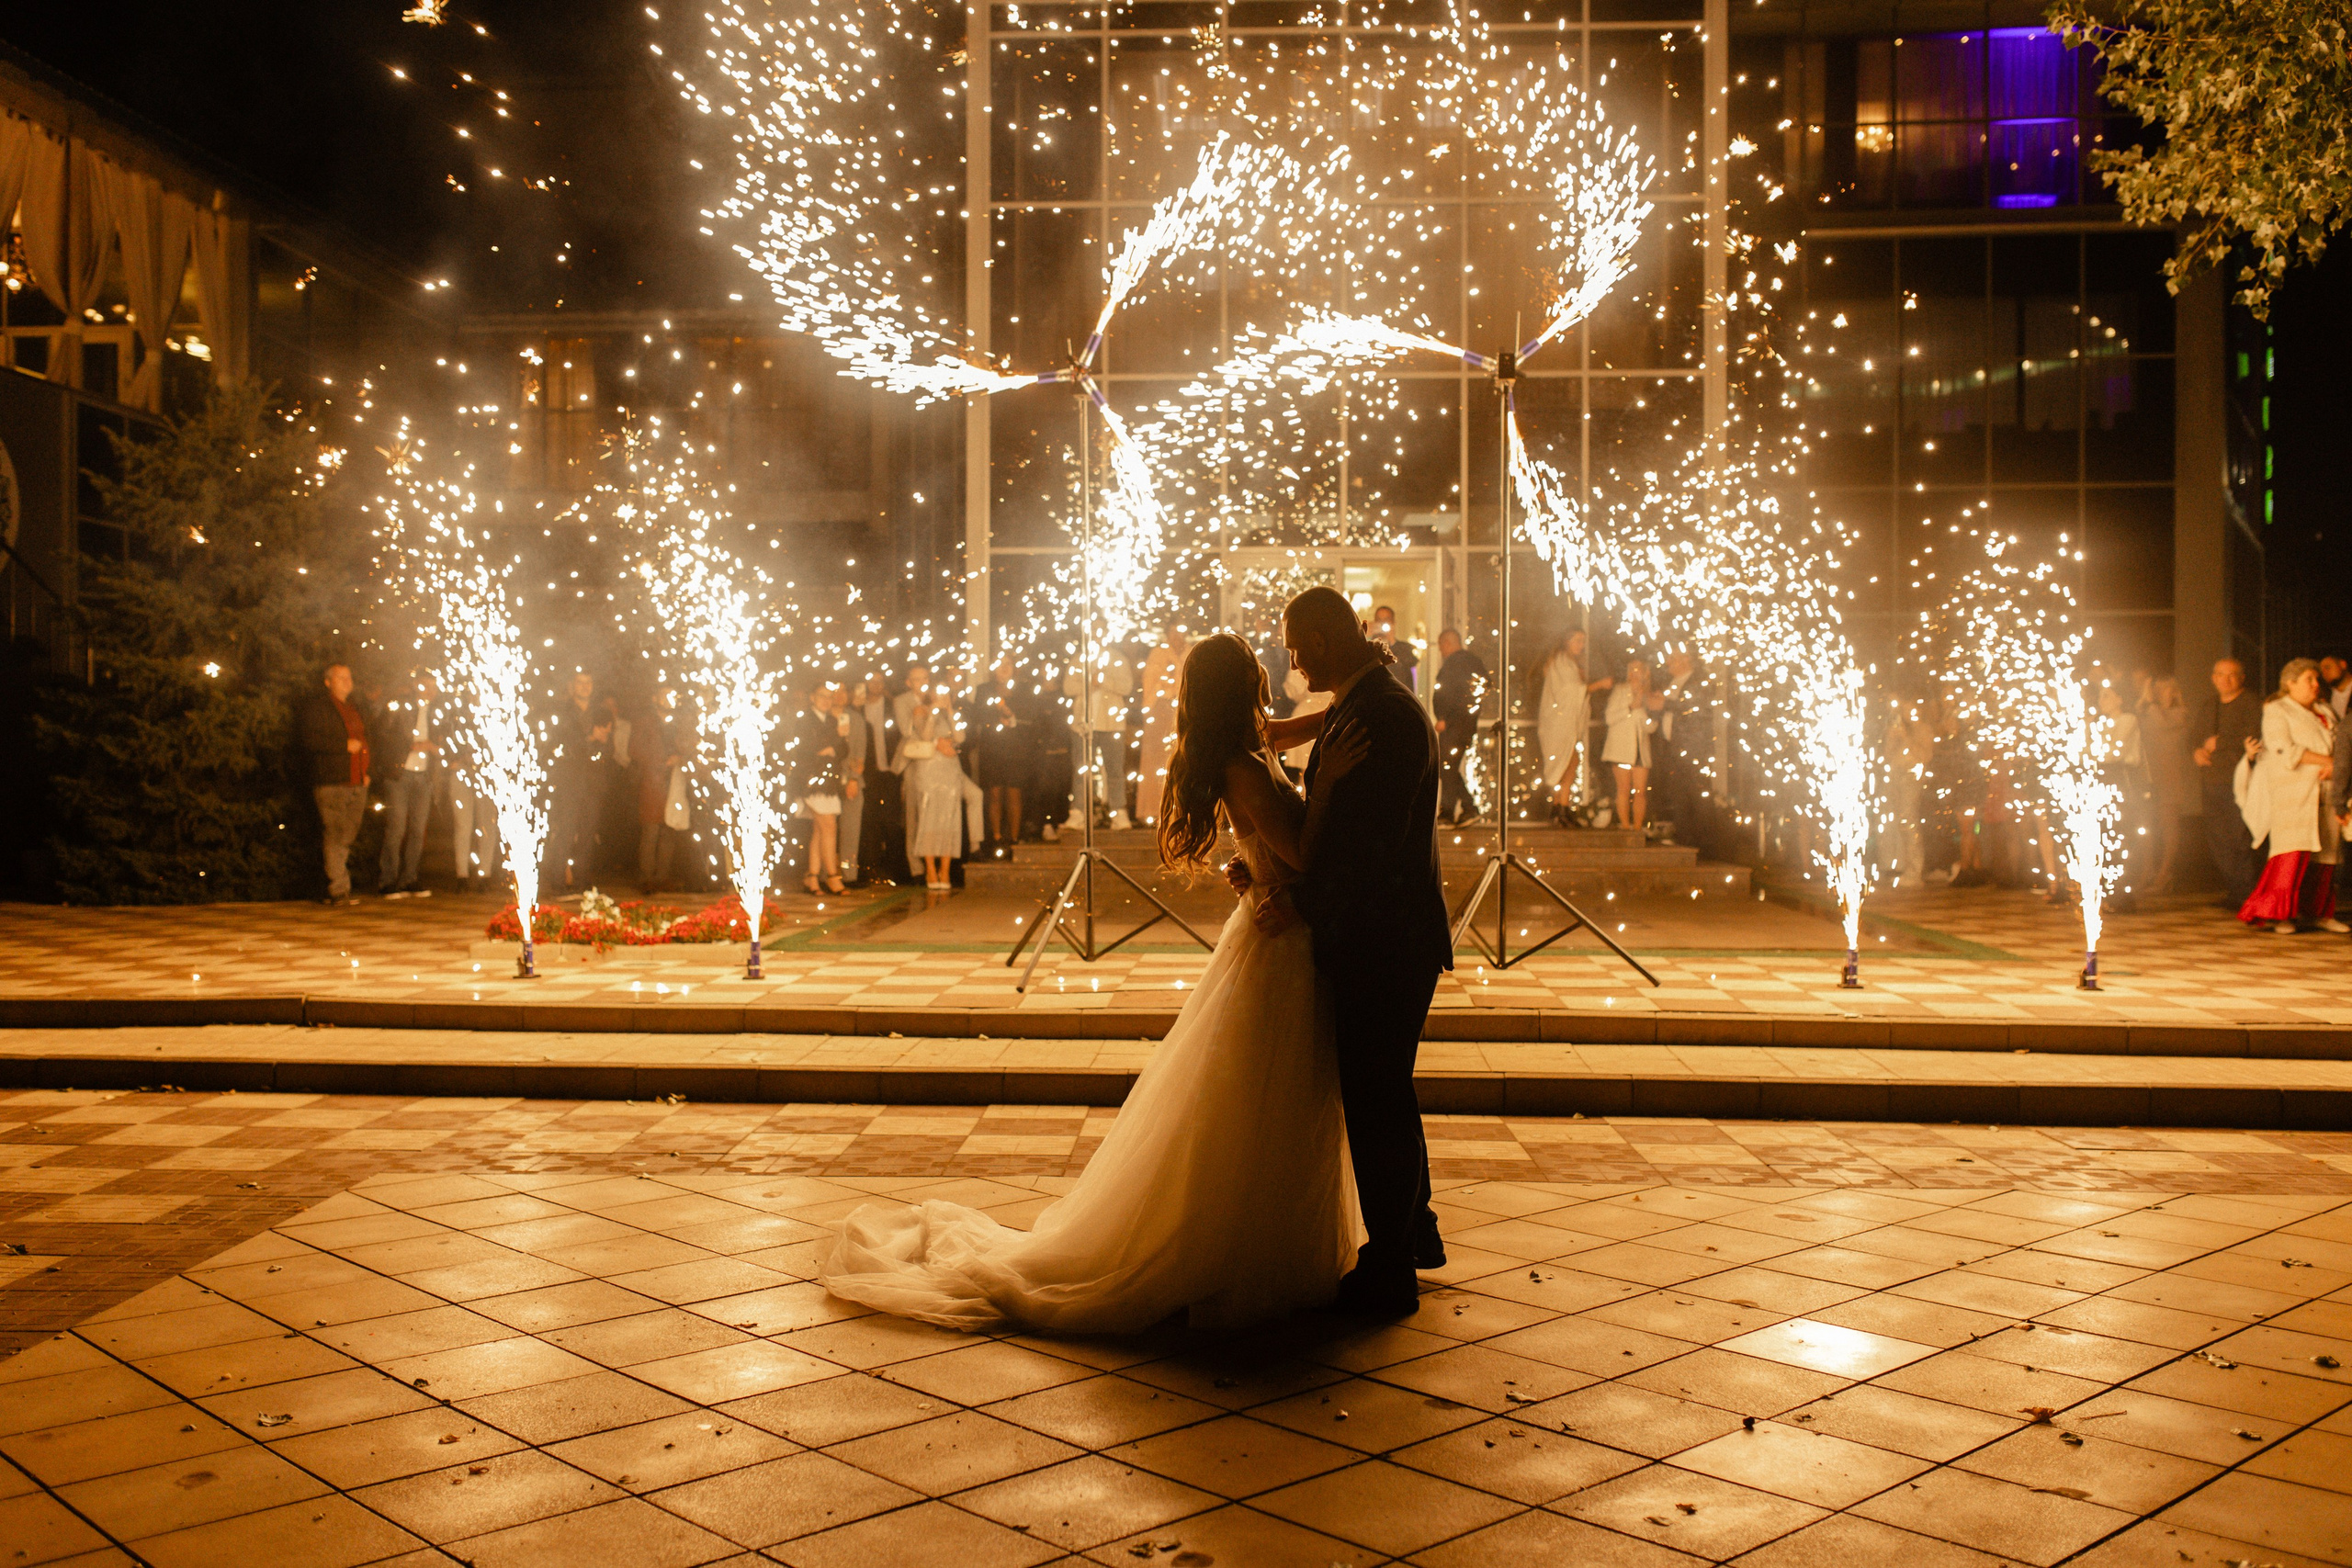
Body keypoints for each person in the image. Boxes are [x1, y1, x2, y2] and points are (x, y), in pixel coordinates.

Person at [819, 632, 1374, 1332]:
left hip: (1272, 927)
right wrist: (1330, 785)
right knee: (1268, 1097)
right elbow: (1300, 850)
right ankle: (1238, 1248)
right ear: (1242, 683)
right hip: (1279, 940)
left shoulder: (1251, 739)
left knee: (1270, 1098)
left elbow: (1303, 731)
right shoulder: (1241, 764)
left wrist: (1354, 697)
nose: (1271, 671)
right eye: (1255, 667)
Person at [2237, 658, 2346, 933]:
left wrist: (2338, 767)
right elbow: (2285, 749)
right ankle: (2279, 914)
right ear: (2290, 683)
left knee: (2327, 855)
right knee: (2291, 854)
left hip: (2326, 789)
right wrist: (2328, 761)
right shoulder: (2277, 710)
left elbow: (2342, 746)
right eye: (2308, 679)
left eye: (2315, 680)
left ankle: (2318, 912)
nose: (2315, 685)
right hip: (2295, 793)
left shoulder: (2324, 710)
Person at [2192, 658, 2264, 906]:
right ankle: (2235, 891)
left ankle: (2249, 893)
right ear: (2213, 678)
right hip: (2212, 780)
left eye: (2232, 674)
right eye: (2220, 674)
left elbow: (2256, 736)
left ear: (2241, 678)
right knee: (2218, 840)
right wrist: (2196, 751)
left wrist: (2219, 744)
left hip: (2239, 780)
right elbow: (2194, 737)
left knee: (2240, 838)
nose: (2225, 679)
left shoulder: (2252, 704)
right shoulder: (2209, 705)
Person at [300, 662, 371, 905]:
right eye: (340, 678)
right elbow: (310, 740)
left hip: (356, 781)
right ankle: (338, 888)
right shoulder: (318, 708)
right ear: (328, 682)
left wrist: (366, 772)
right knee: (335, 833)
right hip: (332, 781)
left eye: (349, 677)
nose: (347, 681)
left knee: (347, 834)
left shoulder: (354, 708)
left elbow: (365, 739)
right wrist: (343, 746)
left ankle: (339, 885)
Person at [372, 674, 442, 898]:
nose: (430, 691)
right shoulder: (401, 706)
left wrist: (434, 748)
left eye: (434, 687)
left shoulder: (438, 714)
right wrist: (408, 746)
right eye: (425, 686)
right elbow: (381, 734)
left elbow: (447, 742)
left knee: (417, 830)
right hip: (399, 775)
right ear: (415, 686)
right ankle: (388, 881)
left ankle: (409, 878)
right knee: (396, 828)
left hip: (424, 777)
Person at [545, 671, 614, 891]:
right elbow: (559, 744)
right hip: (569, 781)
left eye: (589, 682)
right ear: (572, 686)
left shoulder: (601, 713)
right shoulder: (562, 712)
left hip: (593, 782)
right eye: (580, 683)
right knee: (566, 830)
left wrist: (602, 743)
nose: (585, 686)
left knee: (587, 831)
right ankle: (557, 879)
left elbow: (610, 747)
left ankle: (582, 878)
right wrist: (590, 739)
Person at [1536, 627, 1611, 826]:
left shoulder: (1570, 663)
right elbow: (1567, 692)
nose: (1581, 645)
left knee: (1569, 763)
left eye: (1583, 641)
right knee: (1565, 762)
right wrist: (1599, 685)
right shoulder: (1561, 661)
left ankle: (1561, 806)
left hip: (1565, 723)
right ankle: (1560, 808)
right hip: (1558, 722)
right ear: (1567, 641)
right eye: (1577, 640)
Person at [901, 684, 966, 890]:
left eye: (945, 693)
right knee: (929, 818)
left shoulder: (953, 712)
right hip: (928, 770)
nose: (942, 696)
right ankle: (930, 868)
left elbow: (961, 737)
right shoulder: (921, 711)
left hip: (949, 770)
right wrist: (935, 712)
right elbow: (926, 735)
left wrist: (949, 711)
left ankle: (944, 869)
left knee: (949, 818)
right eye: (938, 693)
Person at [971, 660, 1036, 856]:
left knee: (1014, 792)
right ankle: (997, 838)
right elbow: (978, 716)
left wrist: (1012, 716)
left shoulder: (1023, 690)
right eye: (1000, 664)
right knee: (994, 793)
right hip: (992, 748)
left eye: (1009, 663)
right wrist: (995, 719)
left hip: (1016, 749)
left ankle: (1014, 839)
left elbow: (1031, 716)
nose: (1005, 667)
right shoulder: (984, 690)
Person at [2138, 674, 2197, 894]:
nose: (2163, 693)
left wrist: (2150, 702)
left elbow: (2161, 724)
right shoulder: (2148, 713)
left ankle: (2165, 872)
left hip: (2171, 778)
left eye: (2167, 689)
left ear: (2175, 692)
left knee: (2168, 825)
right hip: (2149, 778)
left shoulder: (2180, 715)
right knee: (2146, 827)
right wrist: (2146, 699)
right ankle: (2147, 870)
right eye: (2158, 689)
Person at [1064, 652, 1135, 830]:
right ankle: (1078, 813)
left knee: (1115, 770)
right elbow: (1068, 687)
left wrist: (1104, 681)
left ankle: (1118, 812)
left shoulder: (1118, 659)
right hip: (1083, 724)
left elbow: (1126, 687)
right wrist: (1090, 683)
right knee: (1081, 770)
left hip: (1112, 724)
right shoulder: (1078, 659)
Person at [1430, 627, 1487, 825]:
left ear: (1447, 643)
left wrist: (1445, 717)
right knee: (1449, 767)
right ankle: (1466, 808)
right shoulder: (1473, 663)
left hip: (1453, 726)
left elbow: (1449, 693)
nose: (1441, 651)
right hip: (1465, 725)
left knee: (1447, 767)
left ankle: (1454, 811)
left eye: (1441, 646)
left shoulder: (1454, 664)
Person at [635, 689, 688, 891]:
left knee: (669, 831)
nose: (669, 700)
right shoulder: (645, 722)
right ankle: (646, 878)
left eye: (672, 695)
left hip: (674, 783)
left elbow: (687, 747)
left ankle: (662, 877)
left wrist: (680, 759)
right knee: (651, 830)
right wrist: (660, 762)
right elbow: (635, 749)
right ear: (654, 698)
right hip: (652, 783)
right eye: (664, 695)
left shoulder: (678, 723)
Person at [798, 684, 847, 895]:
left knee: (821, 829)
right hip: (810, 779)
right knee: (828, 825)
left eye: (830, 697)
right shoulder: (804, 720)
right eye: (822, 696)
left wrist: (834, 746)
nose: (826, 701)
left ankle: (812, 876)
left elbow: (844, 748)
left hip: (830, 780)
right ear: (813, 697)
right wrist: (831, 745)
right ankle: (832, 876)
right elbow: (807, 747)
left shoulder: (833, 720)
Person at [1137, 626, 1188, 826]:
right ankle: (1152, 809)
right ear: (1167, 635)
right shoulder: (1158, 654)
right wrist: (1167, 682)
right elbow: (1151, 682)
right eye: (1173, 633)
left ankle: (1182, 808)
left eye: (1180, 633)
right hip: (1160, 710)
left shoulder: (1191, 652)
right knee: (1156, 760)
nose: (1177, 638)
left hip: (1184, 711)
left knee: (1183, 758)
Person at [1600, 658, 1657, 831]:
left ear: (1645, 672)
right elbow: (1610, 718)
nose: (1633, 672)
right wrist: (1630, 708)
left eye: (1637, 669)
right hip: (1621, 749)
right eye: (1630, 669)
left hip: (1640, 750)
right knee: (1624, 789)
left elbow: (1652, 726)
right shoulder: (1619, 691)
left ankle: (1638, 828)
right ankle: (1625, 827)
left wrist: (1641, 710)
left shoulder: (1650, 695)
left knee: (1640, 791)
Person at [1371, 604, 1419, 694]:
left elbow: (1410, 666)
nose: (1382, 623)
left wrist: (1391, 640)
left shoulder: (1404, 648)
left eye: (1386, 620)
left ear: (1393, 623)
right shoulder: (1368, 649)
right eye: (1379, 620)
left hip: (1398, 698)